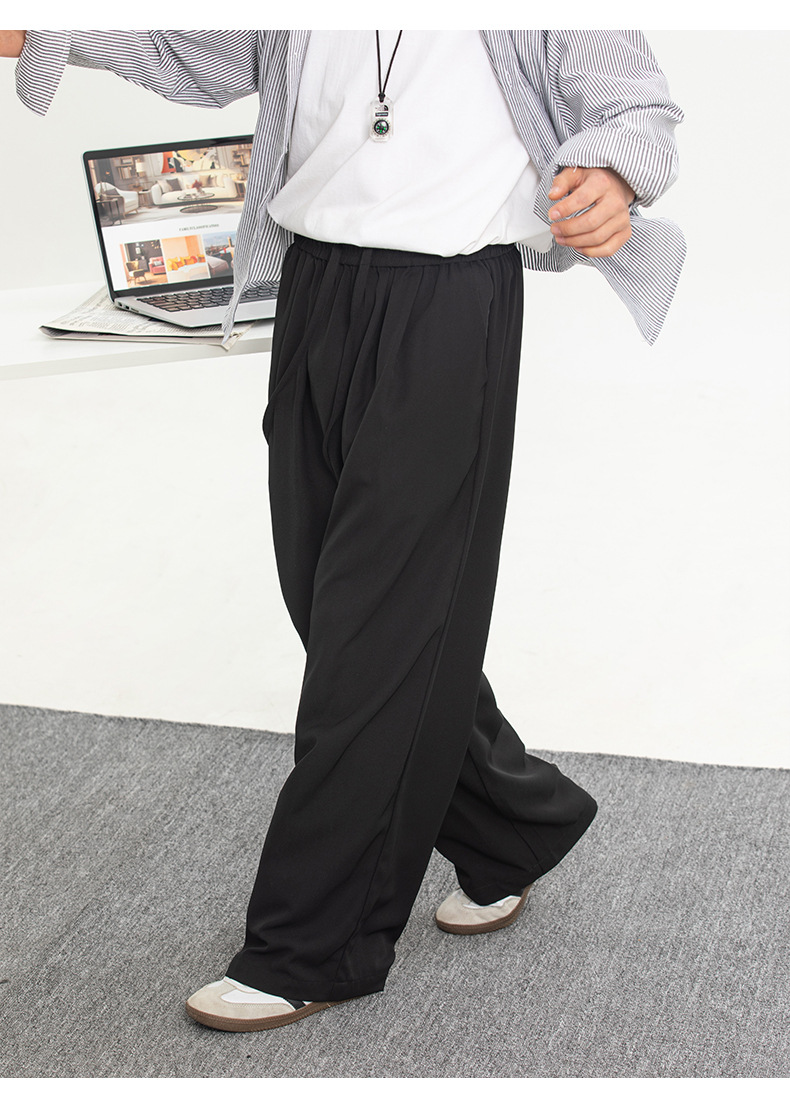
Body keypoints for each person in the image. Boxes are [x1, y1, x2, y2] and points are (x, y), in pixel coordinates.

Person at [2, 30, 685, 1033]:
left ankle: (316, 943)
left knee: (377, 633)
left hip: (448, 300)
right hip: (314, 289)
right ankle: (510, 826)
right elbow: (203, 52)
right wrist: (42, 30)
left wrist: (610, 174)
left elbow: (634, 106)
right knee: (334, 604)